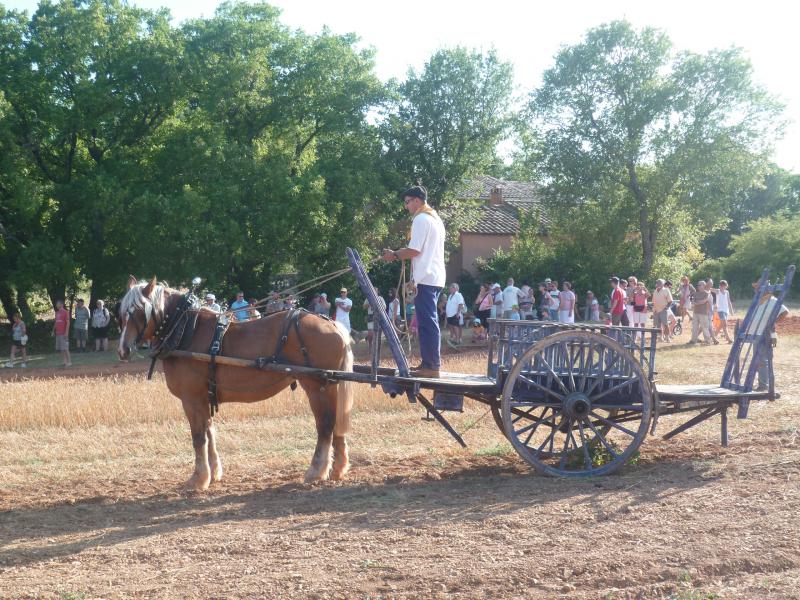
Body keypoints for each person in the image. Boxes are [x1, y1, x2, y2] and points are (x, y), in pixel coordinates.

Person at [381, 185, 446, 378]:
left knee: (427, 322)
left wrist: (394, 254)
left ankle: (432, 365)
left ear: (417, 200)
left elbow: (414, 250)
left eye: (408, 202)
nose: (406, 206)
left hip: (425, 277)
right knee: (427, 321)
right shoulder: (435, 219)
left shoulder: (420, 219)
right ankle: (429, 363)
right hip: (433, 276)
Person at [748, 280, 790, 390]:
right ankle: (760, 383)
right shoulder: (759, 300)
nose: (755, 289)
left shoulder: (772, 300)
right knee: (757, 360)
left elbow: (785, 312)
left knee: (762, 360)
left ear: (764, 289)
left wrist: (773, 323)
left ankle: (763, 385)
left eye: (757, 287)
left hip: (764, 334)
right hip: (756, 333)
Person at [52, 299, 71, 367]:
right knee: (61, 348)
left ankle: (69, 362)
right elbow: (56, 322)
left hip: (63, 333)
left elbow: (68, 322)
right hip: (58, 333)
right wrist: (53, 331)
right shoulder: (57, 313)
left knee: (65, 348)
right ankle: (64, 361)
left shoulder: (65, 312)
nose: (56, 305)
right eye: (56, 304)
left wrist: (66, 332)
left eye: (58, 303)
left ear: (61, 304)